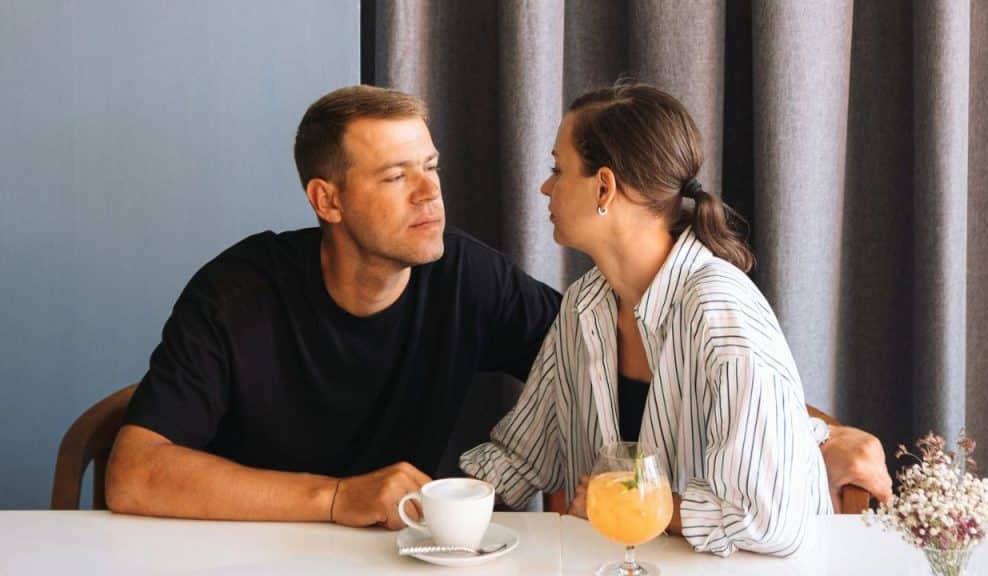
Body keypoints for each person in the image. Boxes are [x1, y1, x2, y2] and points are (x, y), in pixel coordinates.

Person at [107, 85, 891, 531]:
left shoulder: (478, 281)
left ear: (607, 189)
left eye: (433, 166)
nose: (432, 193)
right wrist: (348, 500)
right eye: (395, 177)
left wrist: (811, 433)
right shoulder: (237, 292)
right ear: (327, 199)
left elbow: (729, 395)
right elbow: (133, 476)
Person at [460, 83, 849, 557]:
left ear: (604, 186)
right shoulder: (585, 304)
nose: (545, 186)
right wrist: (434, 503)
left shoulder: (719, 311)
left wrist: (636, 501)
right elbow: (522, 455)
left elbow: (767, 518)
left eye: (557, 170)